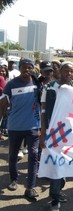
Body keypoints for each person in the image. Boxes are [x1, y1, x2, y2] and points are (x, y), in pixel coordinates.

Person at [39, 61, 73, 211]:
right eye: (65, 70)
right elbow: (43, 112)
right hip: (54, 134)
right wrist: (43, 133)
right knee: (57, 164)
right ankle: (55, 200)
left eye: (71, 71)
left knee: (63, 164)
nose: (68, 73)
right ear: (60, 71)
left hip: (70, 134)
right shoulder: (49, 87)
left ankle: (56, 191)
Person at [0, 58, 42, 200]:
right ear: (20, 68)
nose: (27, 70)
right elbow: (2, 103)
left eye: (29, 67)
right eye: (24, 67)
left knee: (33, 155)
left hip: (33, 127)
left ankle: (30, 187)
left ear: (32, 68)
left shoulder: (37, 83)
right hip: (15, 127)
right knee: (13, 155)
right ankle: (13, 179)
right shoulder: (11, 84)